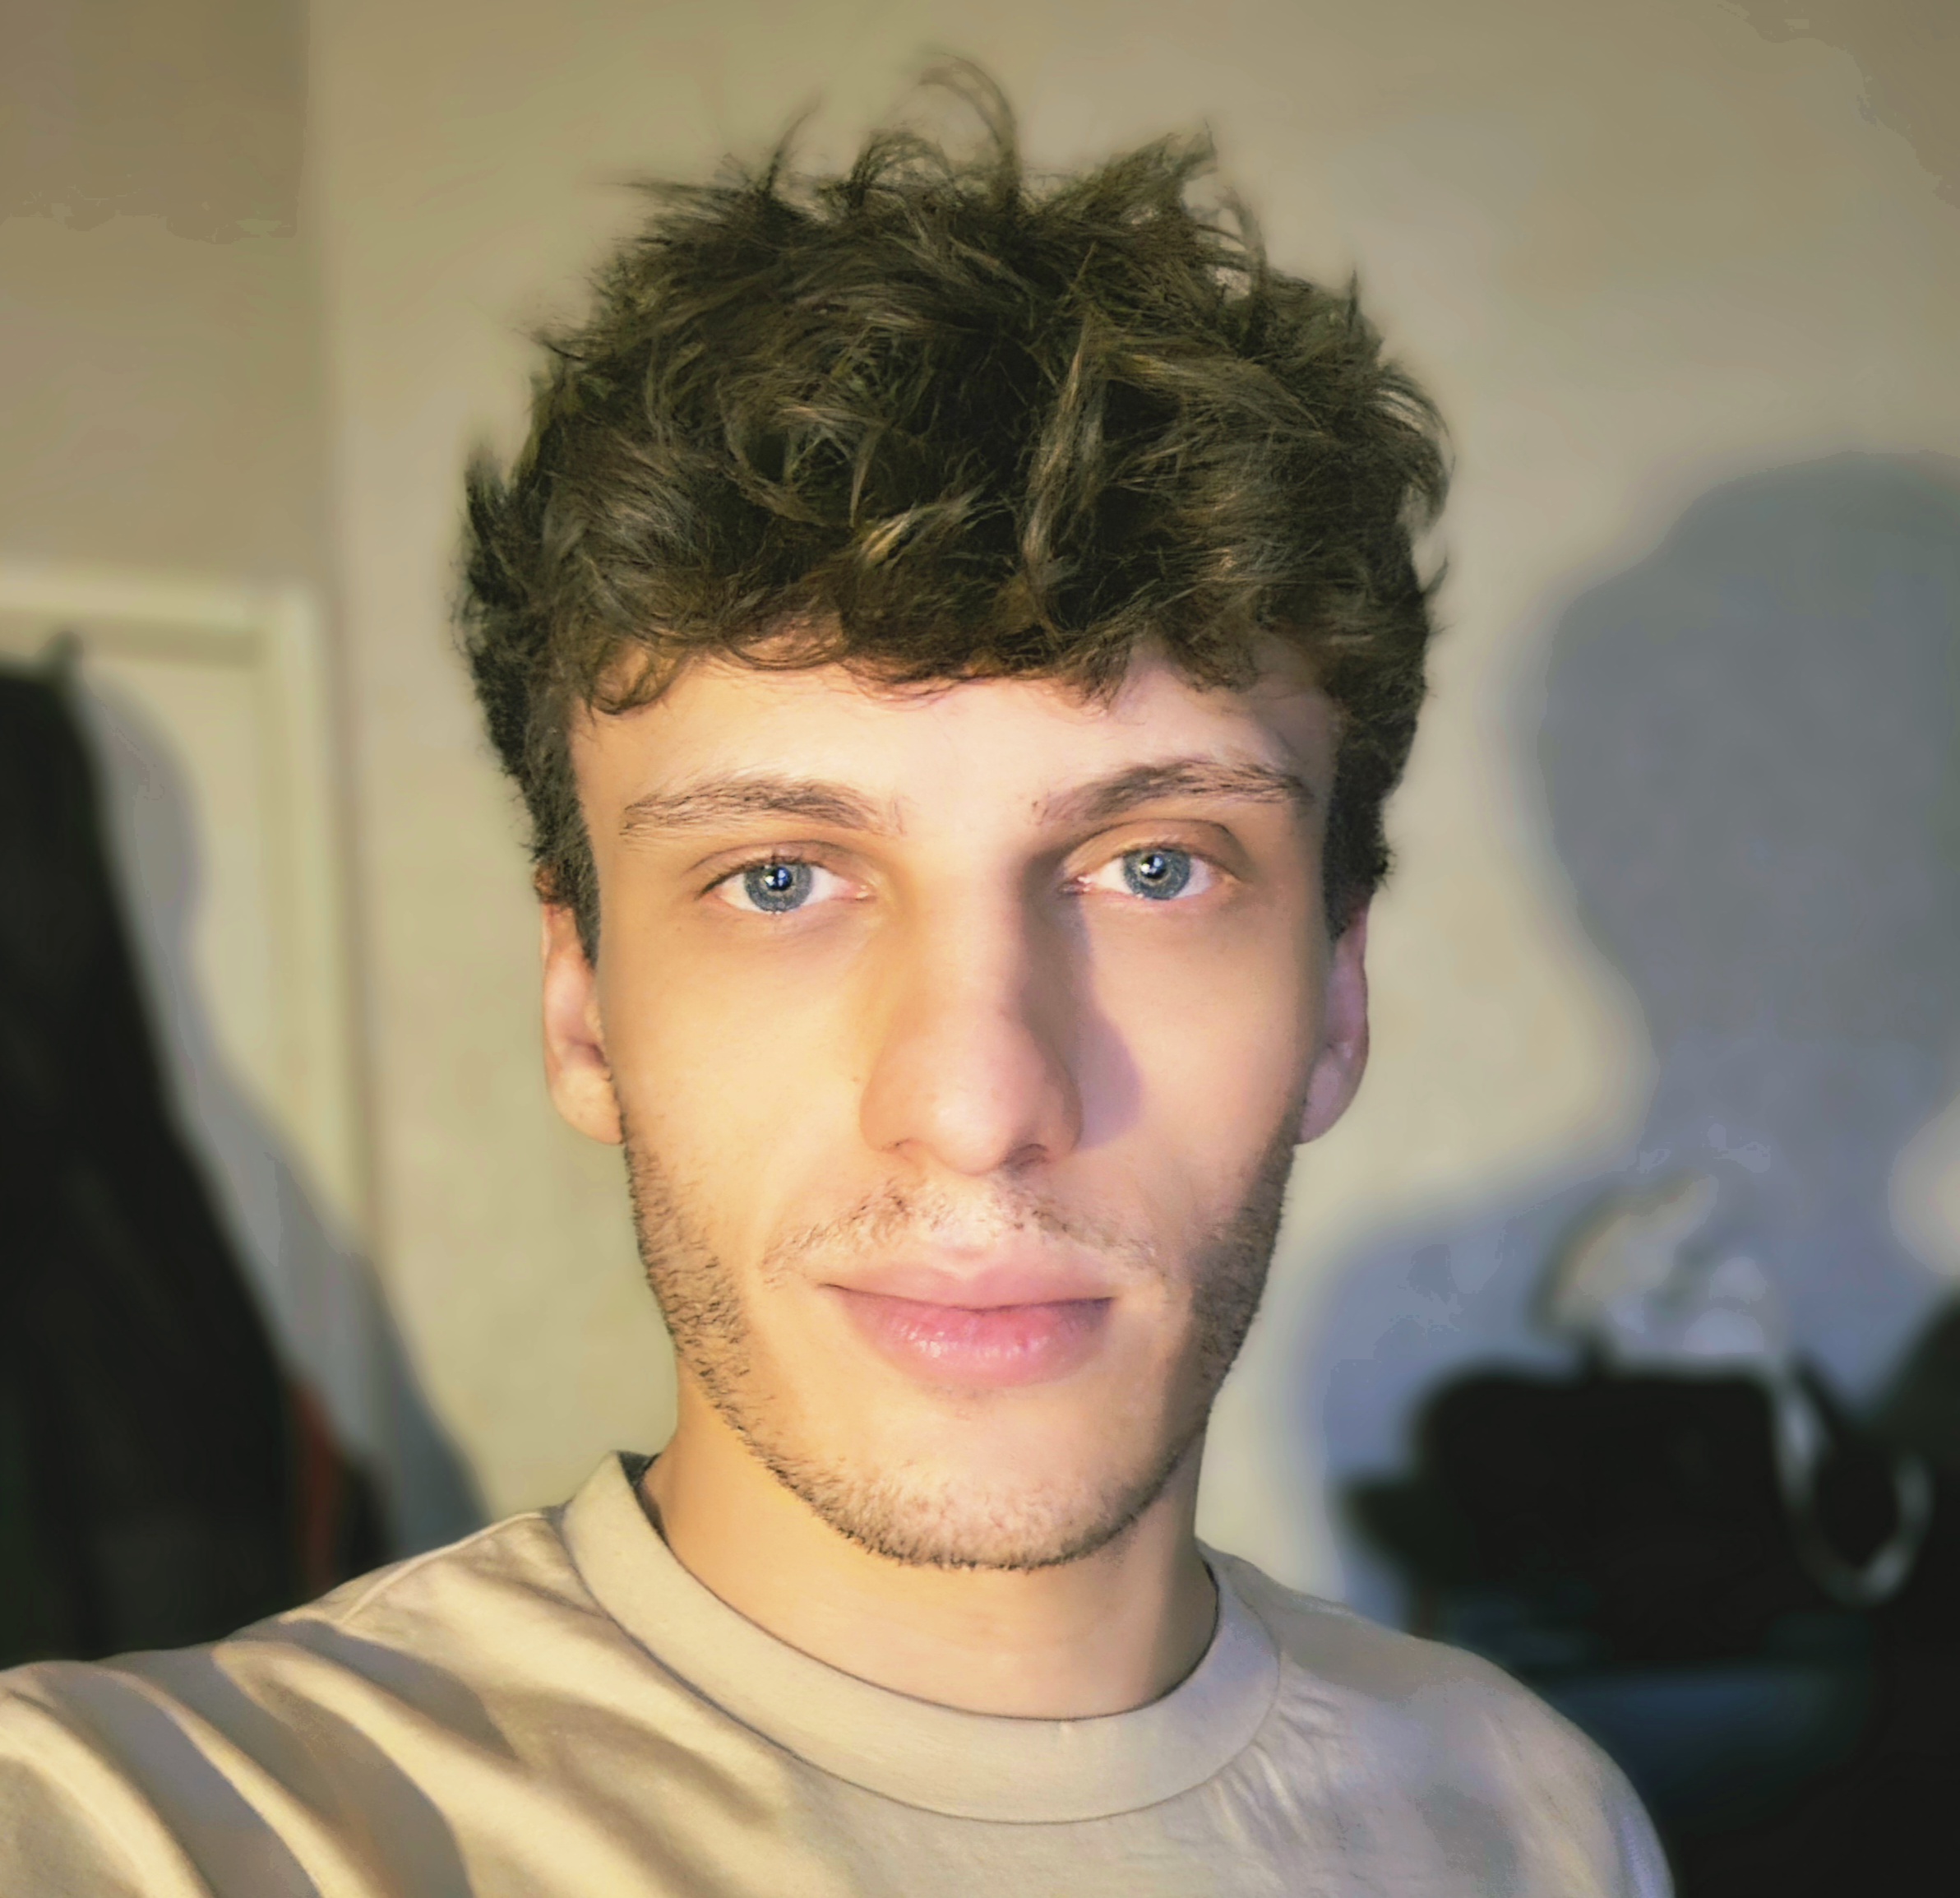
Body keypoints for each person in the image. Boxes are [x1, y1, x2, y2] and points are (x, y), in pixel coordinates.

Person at [0, 74, 1668, 1896]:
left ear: (1336, 1001)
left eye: (1155, 865)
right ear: (581, 1003)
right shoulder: (154, 1829)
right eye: (779, 876)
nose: (974, 1101)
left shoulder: (1536, 1816)